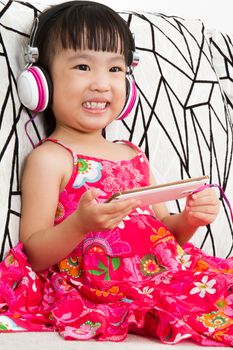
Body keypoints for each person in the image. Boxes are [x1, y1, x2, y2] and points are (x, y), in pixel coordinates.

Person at [1, 0, 233, 346]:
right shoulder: (51, 159)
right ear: (41, 82)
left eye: (115, 70)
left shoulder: (132, 153)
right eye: (82, 66)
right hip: (110, 288)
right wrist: (80, 224)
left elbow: (164, 235)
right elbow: (34, 252)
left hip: (170, 274)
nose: (101, 84)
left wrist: (190, 220)